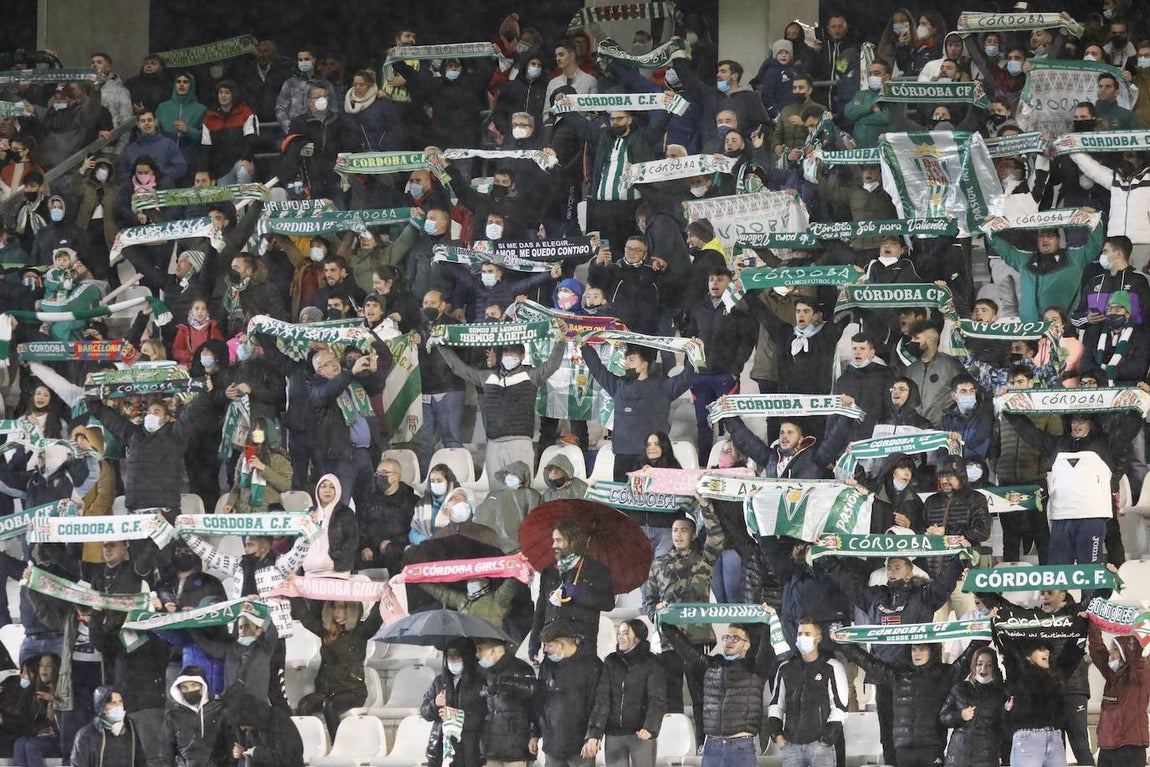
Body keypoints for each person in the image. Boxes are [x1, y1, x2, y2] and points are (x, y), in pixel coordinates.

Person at [437, 340, 563, 488]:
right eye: (506, 352)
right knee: (496, 492)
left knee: (522, 491)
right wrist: (441, 345)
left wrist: (560, 341)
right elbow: (459, 368)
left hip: (520, 443)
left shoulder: (530, 375)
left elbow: (552, 365)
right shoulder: (488, 376)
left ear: (522, 356)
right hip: (494, 444)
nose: (508, 356)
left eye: (513, 353)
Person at [662, 611, 778, 767]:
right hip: (712, 746)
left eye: (735, 638)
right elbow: (686, 650)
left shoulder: (756, 668)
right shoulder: (711, 665)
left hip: (741, 747)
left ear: (747, 645)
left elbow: (767, 649)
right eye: (727, 637)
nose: (729, 641)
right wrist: (665, 622)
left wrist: (768, 621)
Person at [581, 342, 695, 481]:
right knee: (622, 493)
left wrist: (693, 352)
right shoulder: (618, 385)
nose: (627, 363)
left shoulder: (663, 387)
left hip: (653, 456)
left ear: (644, 364)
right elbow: (597, 369)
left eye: (631, 359)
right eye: (626, 359)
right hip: (623, 455)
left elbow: (687, 378)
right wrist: (585, 345)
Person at [292, 597, 383, 737]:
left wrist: (383, 596)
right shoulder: (327, 631)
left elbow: (376, 616)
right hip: (326, 690)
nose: (337, 612)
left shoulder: (361, 631)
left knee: (331, 706)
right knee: (304, 706)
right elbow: (305, 617)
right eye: (334, 608)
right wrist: (293, 595)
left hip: (352, 690)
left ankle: (337, 744)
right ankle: (309, 742)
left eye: (342, 607)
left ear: (352, 610)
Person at [766, 618, 848, 767]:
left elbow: (840, 707)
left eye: (807, 634)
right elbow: (776, 704)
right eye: (800, 634)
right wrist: (777, 735)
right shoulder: (785, 668)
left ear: (818, 638)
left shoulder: (831, 667)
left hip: (820, 747)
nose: (802, 637)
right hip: (791, 745)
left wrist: (826, 739)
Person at [529, 520, 614, 660]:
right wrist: (534, 640)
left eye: (558, 540)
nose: (554, 545)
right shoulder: (549, 571)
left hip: (581, 648)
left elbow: (608, 603)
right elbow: (541, 607)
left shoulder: (596, 569)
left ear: (573, 541)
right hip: (551, 644)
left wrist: (581, 594)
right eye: (553, 540)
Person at [1000, 629, 1087, 767]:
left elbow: (1070, 655)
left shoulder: (1053, 676)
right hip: (1028, 740)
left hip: (1054, 738)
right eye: (1041, 649)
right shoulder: (1017, 674)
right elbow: (1005, 645)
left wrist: (1081, 627)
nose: (1047, 652)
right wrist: (996, 623)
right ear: (1027, 655)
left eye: (1047, 649)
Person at [586, 619, 666, 767]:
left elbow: (657, 699)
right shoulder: (611, 661)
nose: (620, 637)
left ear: (638, 636)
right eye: (619, 633)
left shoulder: (652, 662)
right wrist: (595, 733)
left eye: (625, 633)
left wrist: (650, 727)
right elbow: (602, 699)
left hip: (640, 734)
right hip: (614, 734)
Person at [535, 618, 603, 767]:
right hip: (552, 744)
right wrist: (534, 733)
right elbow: (539, 700)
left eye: (549, 645)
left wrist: (593, 735)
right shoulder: (547, 665)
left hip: (581, 746)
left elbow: (599, 703)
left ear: (561, 645)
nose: (545, 649)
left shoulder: (592, 665)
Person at [1087, 618, 1150, 767]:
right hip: (1107, 745)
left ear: (1126, 652)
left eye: (1115, 649)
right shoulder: (1112, 674)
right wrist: (1093, 621)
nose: (1110, 652)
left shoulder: (1141, 675)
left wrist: (1143, 622)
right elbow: (1097, 651)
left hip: (1131, 746)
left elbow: (1136, 657)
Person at [421, 638, 485, 767]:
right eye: (449, 656)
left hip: (467, 749)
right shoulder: (439, 682)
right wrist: (435, 703)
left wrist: (454, 717)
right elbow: (425, 712)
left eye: (456, 655)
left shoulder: (478, 683)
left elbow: (482, 715)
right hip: (440, 747)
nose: (452, 660)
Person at [474, 637, 537, 766]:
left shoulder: (520, 668)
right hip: (492, 747)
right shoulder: (487, 672)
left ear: (492, 651)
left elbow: (533, 699)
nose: (477, 654)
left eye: (480, 650)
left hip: (516, 748)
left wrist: (533, 735)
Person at [160, 666, 228, 767]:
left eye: (194, 685)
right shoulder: (173, 716)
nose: (190, 690)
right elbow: (166, 754)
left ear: (202, 686)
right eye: (185, 687)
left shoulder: (219, 711)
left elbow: (230, 746)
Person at [223, 689, 304, 767]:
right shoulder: (255, 728)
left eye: (243, 724)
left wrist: (255, 753)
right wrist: (244, 753)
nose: (242, 728)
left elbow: (287, 756)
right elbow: (255, 753)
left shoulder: (281, 722)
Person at [70, 686, 146, 767]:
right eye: (113, 703)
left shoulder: (130, 728)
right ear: (102, 708)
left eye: (120, 701)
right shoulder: (86, 734)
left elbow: (141, 761)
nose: (118, 706)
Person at [302, 474, 357, 575]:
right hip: (309, 570)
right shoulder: (308, 513)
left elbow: (352, 541)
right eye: (323, 486)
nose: (327, 490)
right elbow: (300, 541)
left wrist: (334, 556)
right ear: (317, 490)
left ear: (338, 491)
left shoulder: (345, 513)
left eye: (332, 487)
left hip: (337, 570)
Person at [11, 655, 60, 767]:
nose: (44, 669)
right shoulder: (34, 692)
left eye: (48, 665)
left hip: (58, 738)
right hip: (39, 736)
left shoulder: (61, 691)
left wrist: (54, 700)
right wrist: (38, 730)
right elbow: (25, 719)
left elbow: (66, 722)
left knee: (31, 746)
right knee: (20, 743)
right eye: (41, 665)